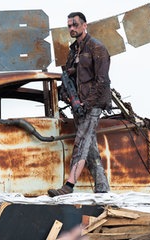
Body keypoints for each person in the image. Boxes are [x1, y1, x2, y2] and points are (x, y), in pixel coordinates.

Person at [48, 12, 111, 197]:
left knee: (81, 142)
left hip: (92, 104)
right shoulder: (73, 49)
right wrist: (67, 95)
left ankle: (69, 186)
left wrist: (86, 103)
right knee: (89, 145)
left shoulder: (97, 48)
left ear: (85, 25)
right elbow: (69, 75)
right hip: (78, 105)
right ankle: (102, 187)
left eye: (75, 25)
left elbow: (102, 81)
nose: (71, 29)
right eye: (69, 25)